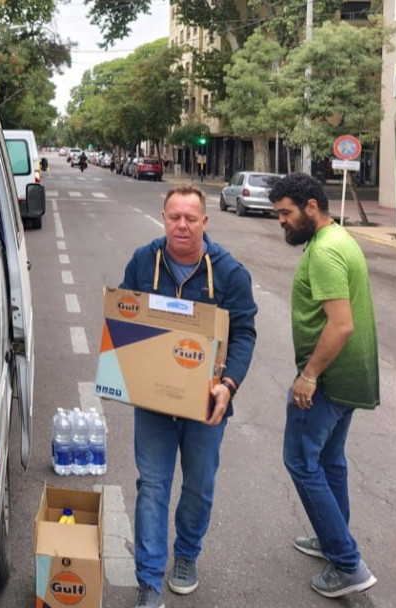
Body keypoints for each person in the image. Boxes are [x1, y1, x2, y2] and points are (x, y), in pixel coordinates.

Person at [120, 185, 257, 608]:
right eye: (174, 217)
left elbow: (244, 334)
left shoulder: (230, 273)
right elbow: (124, 316)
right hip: (155, 405)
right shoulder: (145, 261)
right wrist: (124, 370)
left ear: (204, 222)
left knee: (198, 486)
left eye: (190, 218)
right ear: (164, 218)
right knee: (153, 487)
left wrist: (228, 384)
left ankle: (186, 555)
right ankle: (148, 580)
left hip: (205, 407)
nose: (182, 225)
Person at [268, 173, 379, 598]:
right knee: (331, 460)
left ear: (311, 207)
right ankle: (332, 538)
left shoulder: (325, 252)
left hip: (329, 378)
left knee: (300, 460)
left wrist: (308, 375)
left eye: (285, 213)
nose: (280, 221)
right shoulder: (339, 239)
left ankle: (347, 563)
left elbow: (341, 325)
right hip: (350, 376)